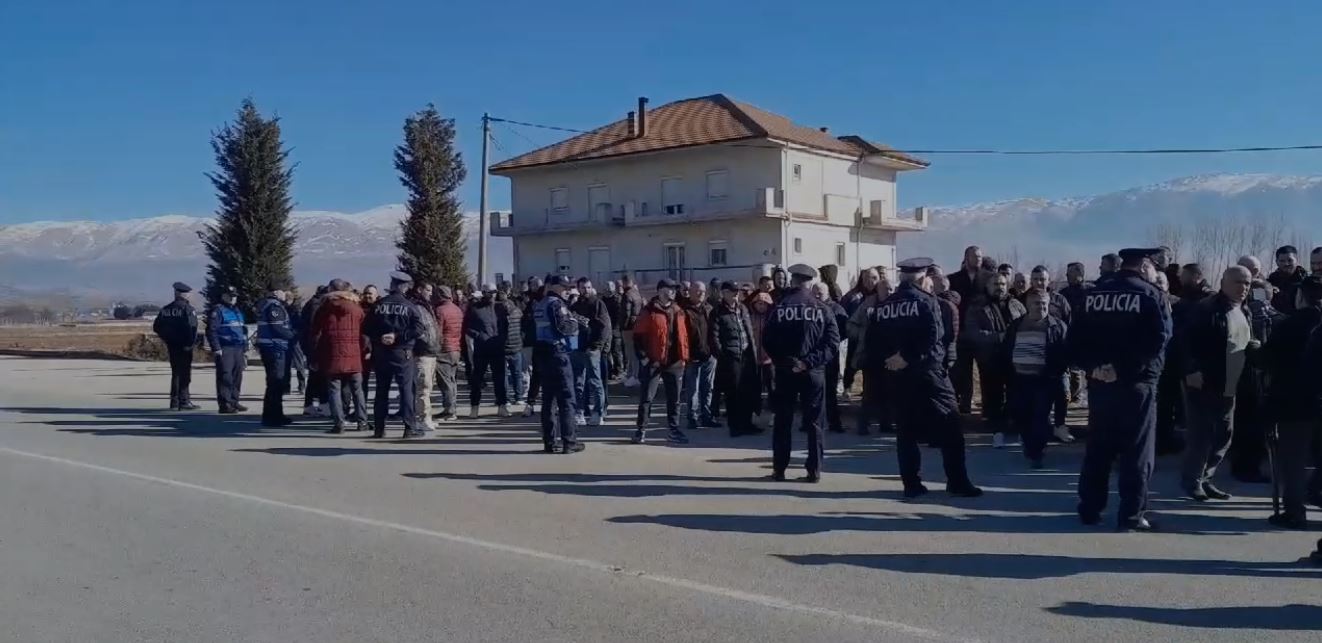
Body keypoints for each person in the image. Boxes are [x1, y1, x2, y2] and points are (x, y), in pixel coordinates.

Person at [1070, 248, 1172, 531]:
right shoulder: (1151, 295)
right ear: (1143, 266)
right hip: (1136, 385)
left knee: (1098, 448)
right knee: (1137, 452)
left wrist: (1094, 367)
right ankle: (1131, 514)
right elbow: (1158, 341)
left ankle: (1090, 508)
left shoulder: (1092, 295)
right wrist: (1123, 369)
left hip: (1100, 384)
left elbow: (1074, 339)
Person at [865, 258, 982, 498]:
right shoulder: (927, 302)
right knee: (951, 429)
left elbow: (872, 342)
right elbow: (934, 336)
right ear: (922, 278)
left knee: (906, 432)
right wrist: (908, 356)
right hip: (929, 375)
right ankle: (957, 482)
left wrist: (892, 359)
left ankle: (911, 484)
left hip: (898, 376)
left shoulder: (884, 305)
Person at [1179, 266, 1259, 501]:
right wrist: (1190, 369)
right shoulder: (1206, 309)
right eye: (1238, 282)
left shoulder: (1244, 309)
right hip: (1205, 381)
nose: (1243, 287)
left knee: (1224, 435)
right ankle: (1192, 481)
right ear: (1223, 282)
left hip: (1232, 384)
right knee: (1201, 436)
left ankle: (1206, 478)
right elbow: (1183, 341)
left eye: (1247, 283)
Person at [761, 265, 838, 482]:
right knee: (814, 423)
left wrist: (785, 361)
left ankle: (779, 469)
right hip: (813, 372)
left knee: (783, 421)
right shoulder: (822, 309)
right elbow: (832, 344)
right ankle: (814, 470)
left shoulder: (780, 307)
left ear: (793, 282)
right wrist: (807, 362)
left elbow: (767, 339)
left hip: (786, 372)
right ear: (811, 283)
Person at [1261, 275, 1322, 529]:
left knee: (1293, 460)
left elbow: (1268, 359)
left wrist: (1255, 350)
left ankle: (1294, 511)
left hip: (1294, 402)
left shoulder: (1289, 324)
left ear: (1300, 297)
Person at [1229, 255, 1283, 484]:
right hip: (1250, 377)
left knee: (1249, 423)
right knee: (1251, 424)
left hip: (1254, 376)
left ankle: (1244, 462)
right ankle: (1246, 465)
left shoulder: (1273, 319)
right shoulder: (1239, 315)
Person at [1003, 288, 1070, 468]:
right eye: (1036, 303)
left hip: (1044, 380)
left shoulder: (1057, 326)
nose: (1041, 307)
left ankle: (1036, 452)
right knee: (1023, 415)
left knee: (1040, 416)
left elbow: (1065, 354)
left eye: (1044, 304)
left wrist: (1056, 372)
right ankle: (1029, 443)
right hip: (1020, 380)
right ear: (1027, 305)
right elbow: (1006, 350)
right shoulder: (1016, 326)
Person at [964, 271, 1026, 448]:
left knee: (1017, 395)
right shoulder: (977, 307)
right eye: (996, 284)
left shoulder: (1016, 305)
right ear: (988, 286)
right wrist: (999, 337)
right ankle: (997, 432)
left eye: (1002, 284)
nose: (1000, 288)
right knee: (993, 398)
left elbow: (1025, 325)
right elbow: (973, 333)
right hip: (990, 359)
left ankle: (1017, 429)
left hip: (1015, 358)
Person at [366, 272, 426, 439]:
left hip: (381, 353)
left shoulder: (378, 305)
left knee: (381, 390)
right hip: (402, 353)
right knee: (406, 390)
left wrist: (381, 337)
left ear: (392, 285)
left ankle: (379, 429)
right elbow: (419, 329)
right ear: (405, 287)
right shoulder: (409, 306)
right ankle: (408, 428)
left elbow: (366, 328)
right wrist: (398, 337)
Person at [631, 279, 691, 444]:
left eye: (673, 289)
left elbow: (684, 336)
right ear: (659, 291)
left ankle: (674, 429)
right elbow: (638, 337)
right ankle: (641, 430)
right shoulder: (648, 311)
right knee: (647, 398)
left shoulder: (678, 310)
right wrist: (645, 359)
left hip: (674, 362)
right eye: (669, 289)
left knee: (674, 399)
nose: (672, 292)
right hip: (653, 362)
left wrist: (683, 357)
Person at [533, 275, 586, 453]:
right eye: (563, 286)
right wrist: (575, 324)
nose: (566, 290)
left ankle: (549, 442)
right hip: (558, 354)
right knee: (567, 400)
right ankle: (569, 442)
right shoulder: (556, 304)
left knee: (549, 400)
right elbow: (563, 328)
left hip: (543, 354)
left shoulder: (540, 303)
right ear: (554, 286)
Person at [311, 279, 369, 433]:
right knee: (358, 390)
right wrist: (364, 350)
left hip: (331, 355)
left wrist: (315, 355)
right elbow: (365, 333)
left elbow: (316, 333)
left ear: (331, 290)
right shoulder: (356, 309)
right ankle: (362, 421)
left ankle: (339, 423)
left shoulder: (324, 308)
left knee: (334, 390)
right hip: (354, 355)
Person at [710, 281, 761, 437]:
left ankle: (747, 423)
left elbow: (749, 331)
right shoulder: (717, 312)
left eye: (737, 291)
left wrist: (753, 352)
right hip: (731, 357)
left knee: (747, 391)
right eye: (732, 291)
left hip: (747, 355)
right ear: (724, 293)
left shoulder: (743, 308)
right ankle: (735, 426)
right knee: (733, 393)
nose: (736, 294)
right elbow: (714, 337)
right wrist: (722, 356)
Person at [678, 280, 720, 432]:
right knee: (692, 389)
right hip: (692, 356)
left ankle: (706, 416)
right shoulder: (684, 311)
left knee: (708, 387)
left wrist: (716, 350)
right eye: (698, 291)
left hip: (710, 355)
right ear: (691, 292)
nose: (701, 294)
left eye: (703, 291)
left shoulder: (709, 309)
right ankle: (692, 417)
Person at [464, 284, 510, 418]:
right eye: (491, 292)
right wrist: (479, 336)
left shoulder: (500, 308)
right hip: (481, 349)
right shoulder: (474, 309)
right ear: (484, 293)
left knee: (500, 379)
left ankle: (502, 406)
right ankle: (474, 407)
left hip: (497, 348)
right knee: (477, 379)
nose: (493, 295)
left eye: (495, 292)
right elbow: (467, 328)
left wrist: (502, 339)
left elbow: (506, 326)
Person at [948, 246, 984, 414]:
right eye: (974, 256)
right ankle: (965, 402)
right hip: (962, 331)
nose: (978, 259)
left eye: (980, 256)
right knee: (963, 370)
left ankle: (986, 403)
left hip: (982, 331)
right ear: (966, 257)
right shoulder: (955, 279)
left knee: (985, 369)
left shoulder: (988, 277)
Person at [571, 277, 611, 426]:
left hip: (592, 349)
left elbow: (605, 327)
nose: (585, 290)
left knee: (595, 381)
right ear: (578, 288)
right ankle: (579, 411)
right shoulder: (575, 306)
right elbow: (570, 326)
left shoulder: (598, 304)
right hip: (577, 349)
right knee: (578, 382)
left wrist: (597, 345)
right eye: (583, 287)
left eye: (588, 287)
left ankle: (598, 412)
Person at [154, 282, 200, 411]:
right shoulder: (187, 309)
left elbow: (156, 327)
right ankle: (184, 401)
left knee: (175, 373)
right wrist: (190, 344)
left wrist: (167, 338)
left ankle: (174, 402)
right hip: (185, 346)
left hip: (172, 346)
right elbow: (193, 328)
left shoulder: (166, 309)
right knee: (185, 374)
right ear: (184, 294)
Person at [255, 283, 296, 427]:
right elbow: (278, 328)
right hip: (275, 347)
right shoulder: (274, 307)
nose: (286, 294)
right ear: (277, 292)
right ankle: (272, 416)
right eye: (284, 291)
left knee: (274, 384)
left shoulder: (265, 304)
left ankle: (275, 414)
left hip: (270, 348)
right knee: (276, 383)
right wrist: (293, 335)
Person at [812, 282, 850, 434]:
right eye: (814, 292)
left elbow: (845, 329)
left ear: (827, 293)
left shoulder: (836, 309)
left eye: (819, 293)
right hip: (813, 357)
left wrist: (831, 342)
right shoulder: (810, 307)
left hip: (829, 356)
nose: (816, 296)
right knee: (812, 392)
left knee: (830, 392)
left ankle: (834, 422)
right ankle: (810, 422)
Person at [207, 286, 249, 415]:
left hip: (238, 348)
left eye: (234, 296)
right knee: (225, 376)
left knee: (237, 375)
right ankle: (225, 404)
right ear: (224, 296)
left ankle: (234, 401)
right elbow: (211, 330)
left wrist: (245, 346)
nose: (232, 298)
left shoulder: (237, 311)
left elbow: (242, 331)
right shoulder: (218, 311)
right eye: (230, 295)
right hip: (225, 348)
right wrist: (216, 348)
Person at [841, 268, 881, 393]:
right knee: (852, 363)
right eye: (867, 278)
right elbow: (844, 313)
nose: (870, 281)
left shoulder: (883, 295)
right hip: (857, 335)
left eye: (874, 278)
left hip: (876, 339)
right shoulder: (854, 296)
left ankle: (868, 390)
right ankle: (847, 387)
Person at [409, 282, 441, 431]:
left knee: (428, 387)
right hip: (422, 352)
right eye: (427, 290)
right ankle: (422, 418)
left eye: (431, 290)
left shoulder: (427, 306)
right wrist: (426, 341)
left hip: (431, 351)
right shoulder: (416, 306)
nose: (430, 293)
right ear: (419, 289)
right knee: (423, 387)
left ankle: (426, 416)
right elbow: (419, 329)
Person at [1059, 262, 1091, 404]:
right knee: (1072, 370)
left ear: (1079, 273)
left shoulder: (1091, 291)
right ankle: (1074, 397)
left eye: (1070, 272)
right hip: (1069, 335)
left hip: (1087, 335)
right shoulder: (1063, 294)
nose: (1066, 275)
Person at [433, 286, 464, 421]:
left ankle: (449, 410)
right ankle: (452, 408)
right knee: (452, 380)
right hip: (456, 348)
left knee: (445, 382)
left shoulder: (440, 311)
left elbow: (437, 333)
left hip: (444, 349)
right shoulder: (457, 309)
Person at [299, 286, 330, 416]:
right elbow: (315, 328)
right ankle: (321, 405)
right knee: (320, 377)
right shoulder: (316, 306)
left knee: (315, 377)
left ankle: (310, 404)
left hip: (312, 346)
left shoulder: (313, 304)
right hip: (315, 347)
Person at [496, 285, 527, 412]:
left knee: (503, 374)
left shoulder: (497, 312)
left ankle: (506, 399)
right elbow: (522, 328)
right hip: (516, 345)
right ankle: (519, 396)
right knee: (517, 373)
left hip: (503, 346)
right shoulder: (518, 311)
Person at [747, 290, 775, 426]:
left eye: (764, 304)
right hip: (754, 358)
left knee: (772, 387)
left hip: (769, 359)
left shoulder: (773, 319)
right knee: (755, 388)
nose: (761, 306)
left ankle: (774, 414)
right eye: (759, 303)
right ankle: (755, 412)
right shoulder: (750, 318)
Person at [521, 277, 545, 416]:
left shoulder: (546, 300)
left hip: (546, 342)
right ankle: (530, 403)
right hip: (534, 342)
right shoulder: (530, 301)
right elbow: (525, 320)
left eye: (537, 285)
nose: (534, 287)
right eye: (532, 285)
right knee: (536, 374)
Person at [620, 274, 645, 387]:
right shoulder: (637, 293)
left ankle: (634, 376)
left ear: (625, 282)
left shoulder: (627, 295)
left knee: (631, 353)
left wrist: (623, 326)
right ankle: (632, 374)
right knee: (634, 352)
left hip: (628, 327)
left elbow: (626, 312)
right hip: (637, 325)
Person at [1268, 245, 1306, 315]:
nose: (1286, 264)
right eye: (1282, 261)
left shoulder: (1307, 282)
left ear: (1297, 260)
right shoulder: (1270, 282)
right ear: (1277, 262)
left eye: (1290, 260)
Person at [600, 280, 624, 381]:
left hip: (615, 329)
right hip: (606, 328)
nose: (607, 292)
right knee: (607, 351)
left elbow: (619, 316)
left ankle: (618, 370)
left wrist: (615, 328)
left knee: (616, 350)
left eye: (609, 290)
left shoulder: (617, 300)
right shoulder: (603, 300)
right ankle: (609, 371)